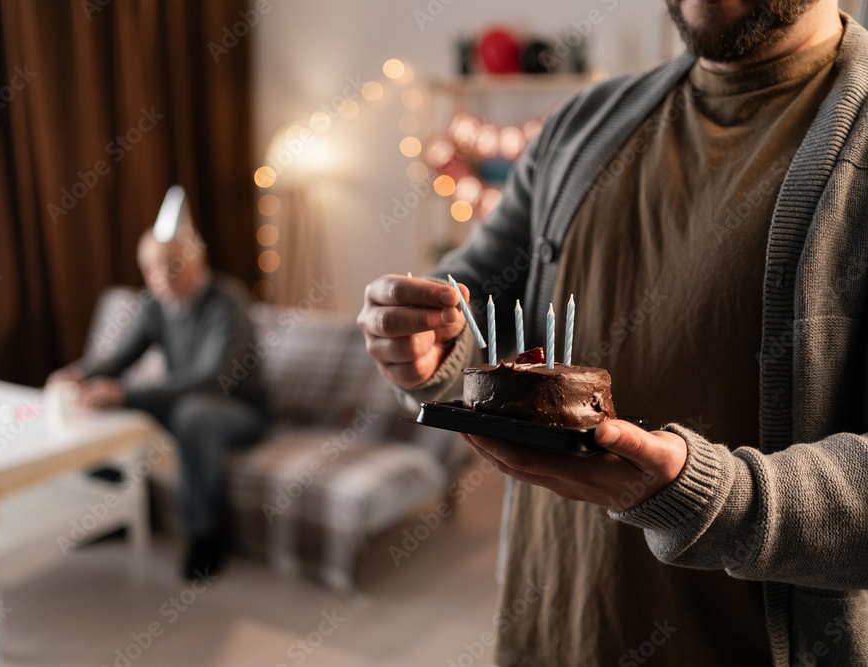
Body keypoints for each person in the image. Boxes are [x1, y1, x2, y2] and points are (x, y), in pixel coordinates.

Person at [358, 1, 868, 665]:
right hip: (545, 635)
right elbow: (473, 298)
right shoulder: (579, 125)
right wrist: (426, 341)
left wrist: (708, 499)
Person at [48, 228, 268, 579]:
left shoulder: (228, 301)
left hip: (239, 411)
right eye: (151, 268)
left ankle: (205, 536)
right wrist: (79, 373)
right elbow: (122, 357)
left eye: (172, 264)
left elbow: (211, 380)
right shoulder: (155, 305)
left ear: (199, 260)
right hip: (185, 404)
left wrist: (127, 393)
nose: (161, 276)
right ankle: (112, 514)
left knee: (191, 413)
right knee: (105, 402)